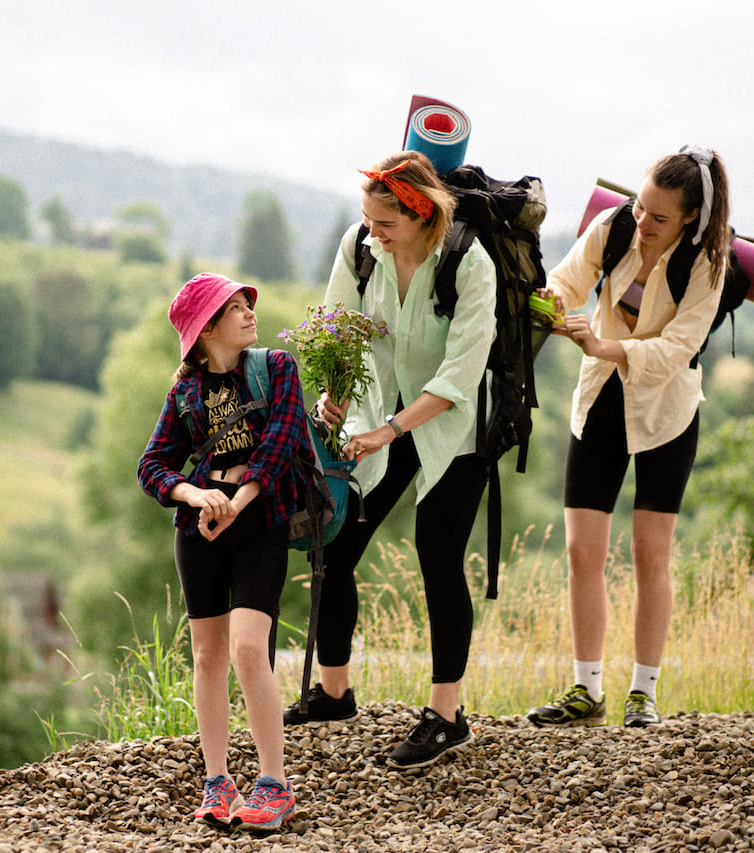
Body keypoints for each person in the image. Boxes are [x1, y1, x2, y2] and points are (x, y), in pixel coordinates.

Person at [281, 151, 497, 771]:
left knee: (437, 551)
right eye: (368, 222)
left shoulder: (468, 264)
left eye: (386, 226)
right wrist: (335, 399)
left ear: (422, 214)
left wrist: (389, 433)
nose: (372, 235)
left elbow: (460, 375)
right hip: (374, 412)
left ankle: (447, 717)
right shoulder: (359, 248)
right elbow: (339, 332)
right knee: (337, 543)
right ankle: (334, 692)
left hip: (452, 425)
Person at [527, 146, 731, 728]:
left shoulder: (708, 261)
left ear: (690, 217)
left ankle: (643, 693)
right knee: (581, 551)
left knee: (650, 554)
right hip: (601, 399)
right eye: (641, 207)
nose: (643, 222)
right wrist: (553, 303)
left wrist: (604, 344)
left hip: (668, 410)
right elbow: (569, 279)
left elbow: (678, 349)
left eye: (659, 217)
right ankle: (585, 691)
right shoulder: (614, 224)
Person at [137, 273, 307, 830]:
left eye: (245, 305)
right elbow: (152, 465)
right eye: (233, 309)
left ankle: (274, 784)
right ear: (206, 330)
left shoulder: (277, 368)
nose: (248, 314)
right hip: (199, 529)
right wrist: (193, 493)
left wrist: (239, 499)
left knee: (248, 649)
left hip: (261, 524)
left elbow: (281, 444)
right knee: (207, 656)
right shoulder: (185, 392)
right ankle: (217, 781)